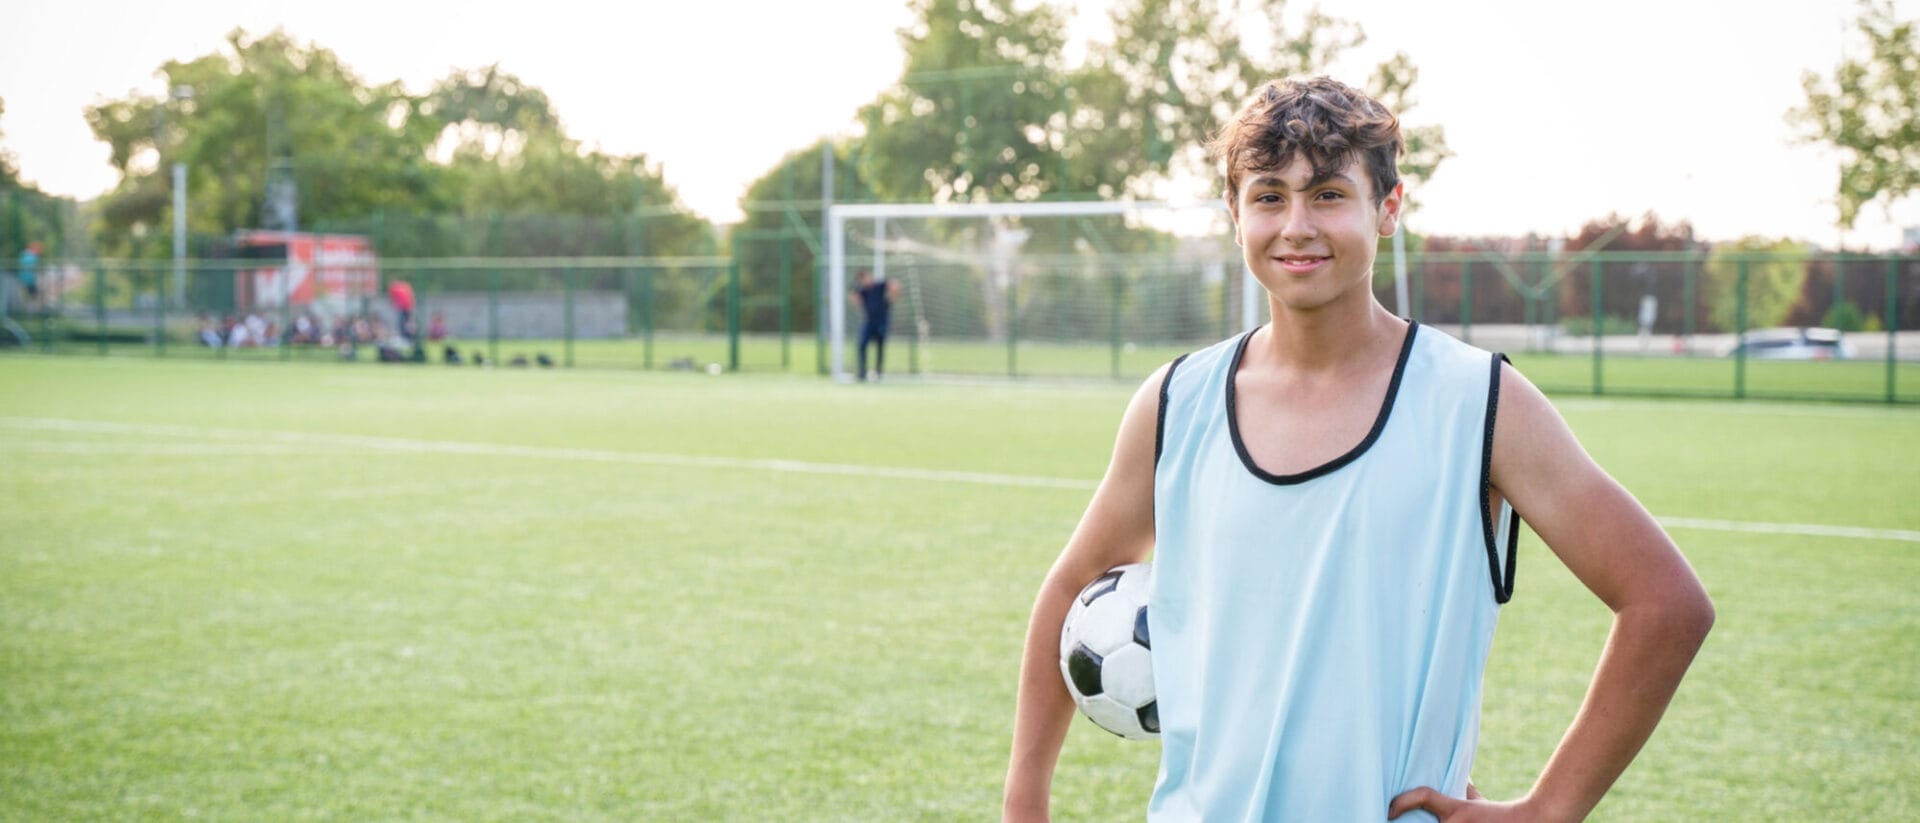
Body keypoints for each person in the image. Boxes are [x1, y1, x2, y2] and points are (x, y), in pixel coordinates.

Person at [1003, 76, 1714, 822]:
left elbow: (1665, 602)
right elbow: (1070, 585)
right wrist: (1024, 801)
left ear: (1389, 209)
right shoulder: (1176, 403)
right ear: (1234, 215)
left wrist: (1549, 807)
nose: (1297, 225)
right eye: (1270, 195)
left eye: (1330, 194)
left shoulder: (1478, 403)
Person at [849, 269, 901, 381]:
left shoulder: (880, 285)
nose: (865, 281)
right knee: (862, 344)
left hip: (881, 321)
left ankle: (878, 372)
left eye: (866, 277)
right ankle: (862, 372)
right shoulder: (862, 291)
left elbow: (895, 285)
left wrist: (892, 297)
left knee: (880, 346)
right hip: (869, 322)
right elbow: (854, 300)